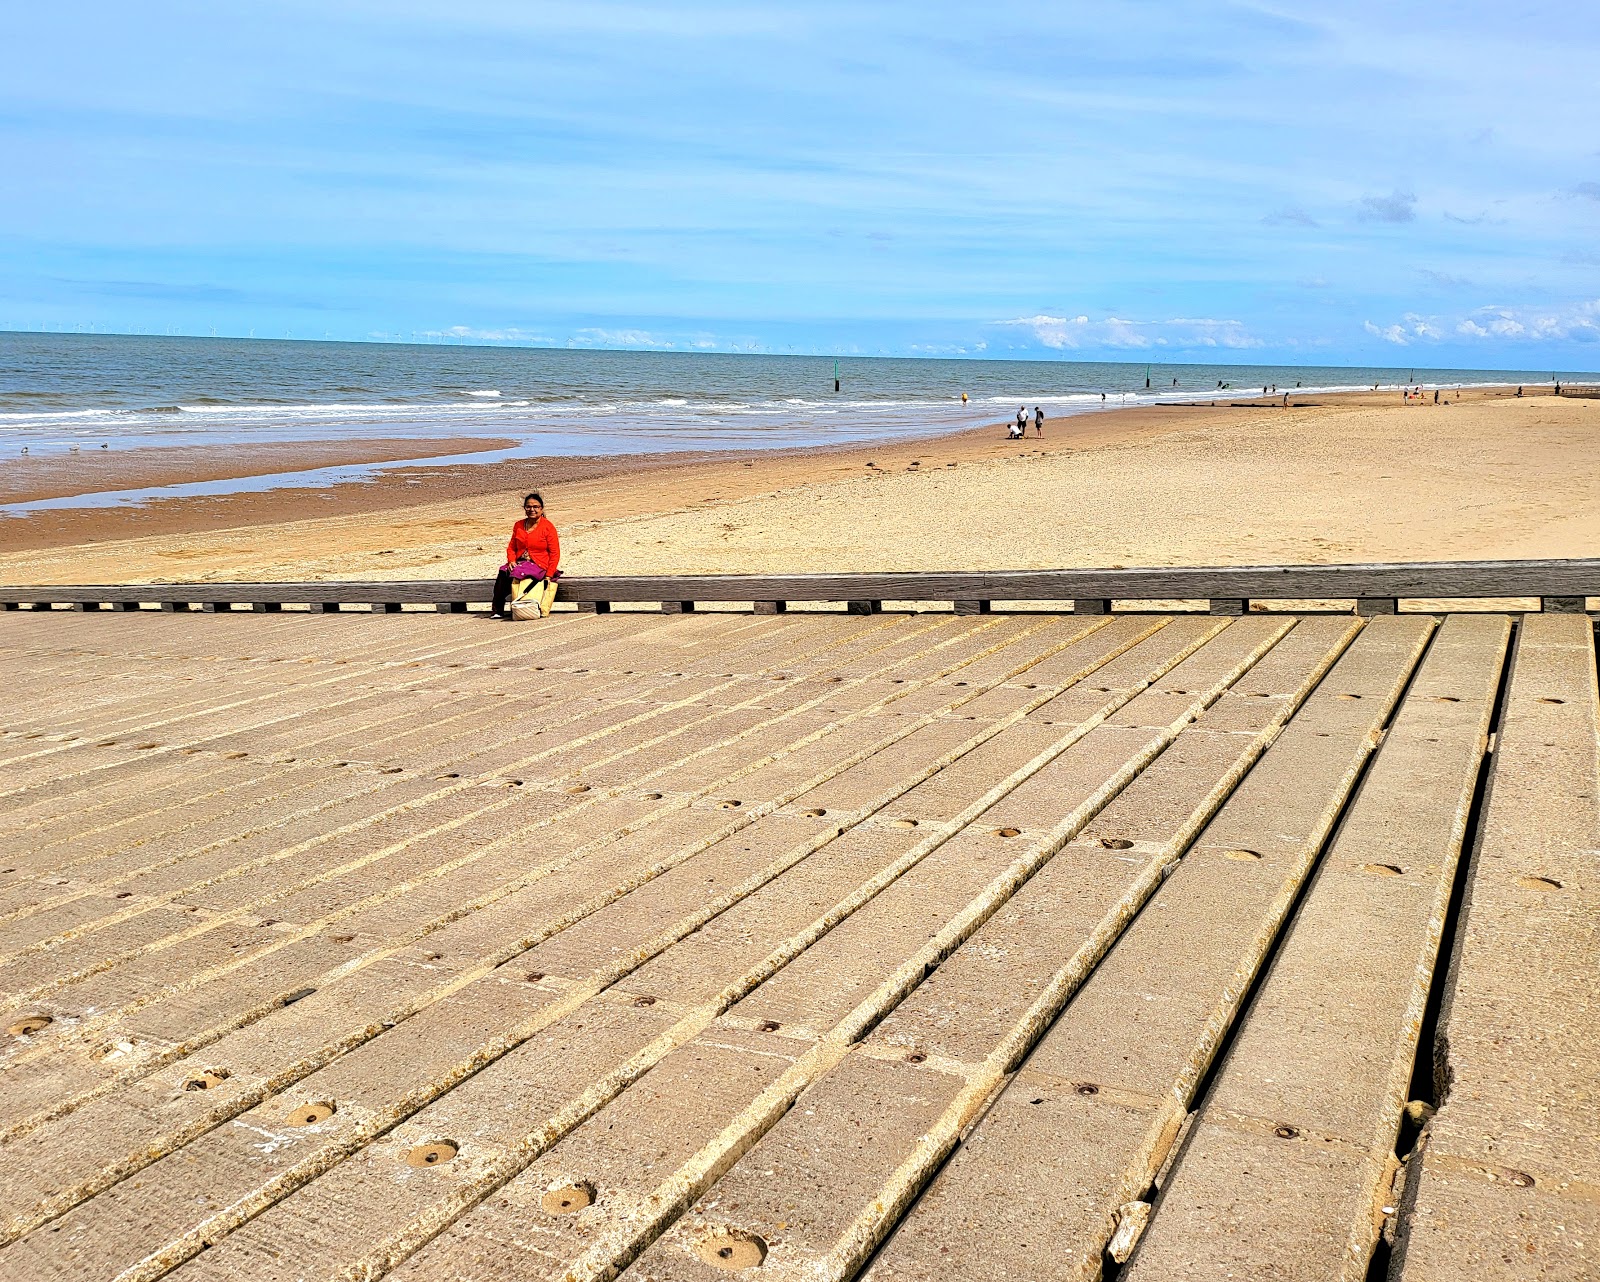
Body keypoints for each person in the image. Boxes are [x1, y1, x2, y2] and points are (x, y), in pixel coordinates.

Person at [491, 491, 561, 619]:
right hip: (519, 562)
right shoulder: (518, 525)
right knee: (503, 572)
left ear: (541, 509)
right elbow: (511, 547)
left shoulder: (548, 527)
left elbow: (555, 553)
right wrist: (511, 560)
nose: (532, 509)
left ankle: (521, 606)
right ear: (524, 508)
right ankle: (497, 610)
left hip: (539, 564)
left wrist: (549, 575)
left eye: (535, 507)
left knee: (519, 573)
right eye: (528, 506)